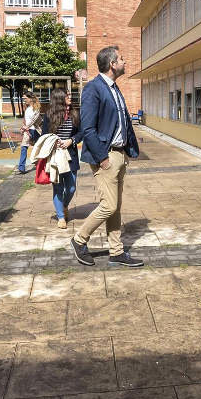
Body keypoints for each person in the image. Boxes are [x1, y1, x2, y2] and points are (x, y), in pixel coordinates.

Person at [70, 46, 143, 267]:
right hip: (106, 157)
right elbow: (88, 128)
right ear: (112, 64)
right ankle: (79, 239)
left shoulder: (114, 89)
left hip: (119, 155)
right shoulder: (93, 88)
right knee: (109, 205)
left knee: (116, 206)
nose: (125, 62)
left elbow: (122, 122)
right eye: (122, 59)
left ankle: (116, 251)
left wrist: (128, 150)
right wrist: (102, 158)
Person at [41, 88, 81, 229]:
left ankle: (64, 205)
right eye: (67, 95)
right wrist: (53, 141)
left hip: (71, 155)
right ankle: (61, 217)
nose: (70, 96)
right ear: (59, 98)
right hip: (55, 156)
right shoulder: (49, 115)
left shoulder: (75, 113)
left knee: (71, 187)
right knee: (58, 187)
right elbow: (44, 135)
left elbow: (81, 132)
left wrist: (72, 140)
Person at [17, 90, 42, 173]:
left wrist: (26, 127)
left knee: (38, 148)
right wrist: (24, 127)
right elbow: (26, 120)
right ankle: (21, 167)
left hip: (35, 130)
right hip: (27, 131)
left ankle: (40, 165)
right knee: (24, 147)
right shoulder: (27, 108)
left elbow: (34, 120)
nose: (24, 100)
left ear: (30, 99)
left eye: (25, 98)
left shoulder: (36, 108)